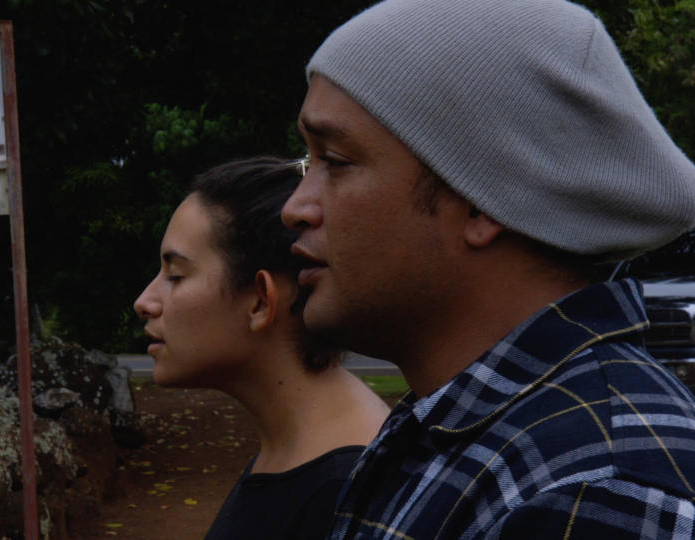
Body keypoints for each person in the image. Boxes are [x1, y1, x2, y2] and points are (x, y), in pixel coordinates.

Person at [280, 0, 695, 538]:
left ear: (483, 202)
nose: (296, 207)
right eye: (307, 163)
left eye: (334, 161)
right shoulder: (464, 428)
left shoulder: (594, 490)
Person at [134, 157, 391, 539]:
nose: (145, 301)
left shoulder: (343, 493)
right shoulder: (295, 456)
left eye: (175, 275)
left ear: (260, 302)